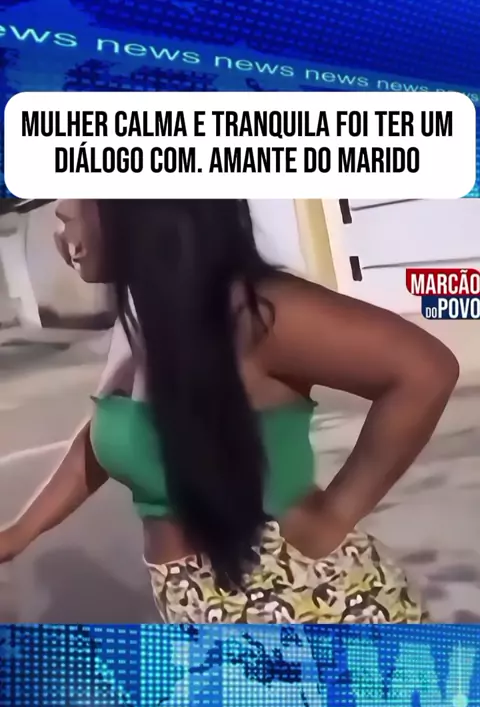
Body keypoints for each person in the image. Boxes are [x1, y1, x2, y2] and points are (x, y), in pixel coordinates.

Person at [0, 199, 459, 623]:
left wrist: (338, 513)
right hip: (200, 607)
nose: (61, 215)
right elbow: (111, 429)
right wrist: (21, 532)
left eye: (78, 191)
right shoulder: (147, 310)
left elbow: (425, 371)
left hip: (305, 602)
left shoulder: (254, 311)